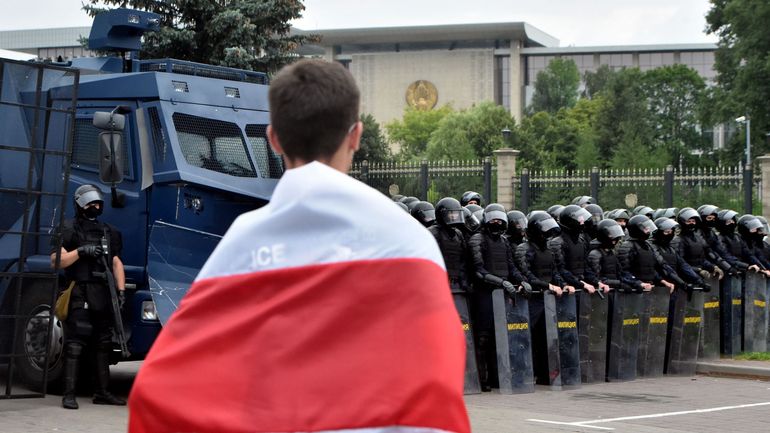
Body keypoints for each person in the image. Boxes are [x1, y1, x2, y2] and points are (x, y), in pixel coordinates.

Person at [128, 60, 470, 433]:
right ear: (356, 135)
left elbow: (161, 390)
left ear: (274, 139)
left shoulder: (243, 243)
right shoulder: (411, 243)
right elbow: (436, 387)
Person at [51, 184, 126, 409]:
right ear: (81, 204)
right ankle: (69, 394)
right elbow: (56, 260)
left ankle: (102, 392)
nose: (95, 207)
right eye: (91, 203)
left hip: (103, 292)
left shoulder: (109, 231)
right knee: (75, 342)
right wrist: (81, 251)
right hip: (80, 290)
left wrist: (120, 292)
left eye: (98, 204)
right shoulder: (69, 228)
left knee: (103, 343)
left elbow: (115, 262)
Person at [468, 203, 528, 391]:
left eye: (500, 219)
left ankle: (498, 377)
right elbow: (478, 271)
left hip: (502, 294)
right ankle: (482, 379)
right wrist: (500, 282)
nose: (497, 222)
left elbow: (511, 267)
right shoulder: (477, 240)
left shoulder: (503, 241)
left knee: (500, 336)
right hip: (484, 294)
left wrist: (523, 281)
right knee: (483, 338)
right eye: (493, 219)